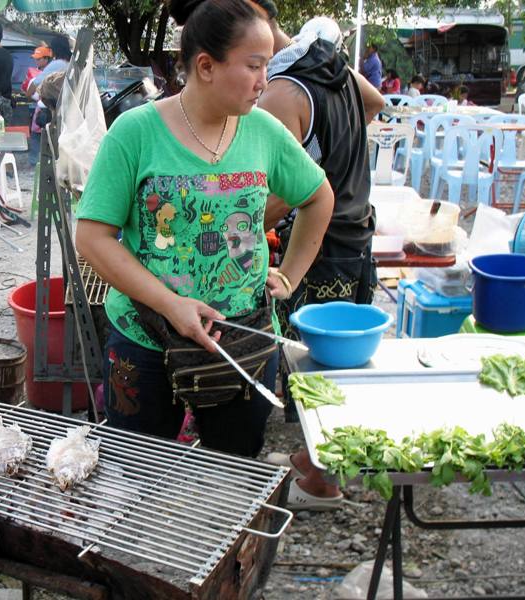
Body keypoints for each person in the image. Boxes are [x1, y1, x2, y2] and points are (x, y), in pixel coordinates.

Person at [75, 0, 334, 458]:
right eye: (254, 65)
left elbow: (318, 197)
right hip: (146, 339)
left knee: (233, 477)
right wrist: (171, 305)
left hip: (244, 341)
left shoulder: (264, 132)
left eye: (266, 65)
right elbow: (93, 237)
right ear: (206, 66)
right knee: (138, 479)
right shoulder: (134, 134)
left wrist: (289, 274)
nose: (264, 81)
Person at [255, 11, 384, 509]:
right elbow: (375, 101)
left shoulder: (284, 91)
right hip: (357, 232)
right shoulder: (332, 68)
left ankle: (321, 482)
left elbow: (294, 188)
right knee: (340, 360)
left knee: (309, 363)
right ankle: (317, 464)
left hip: (320, 245)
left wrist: (236, 224)